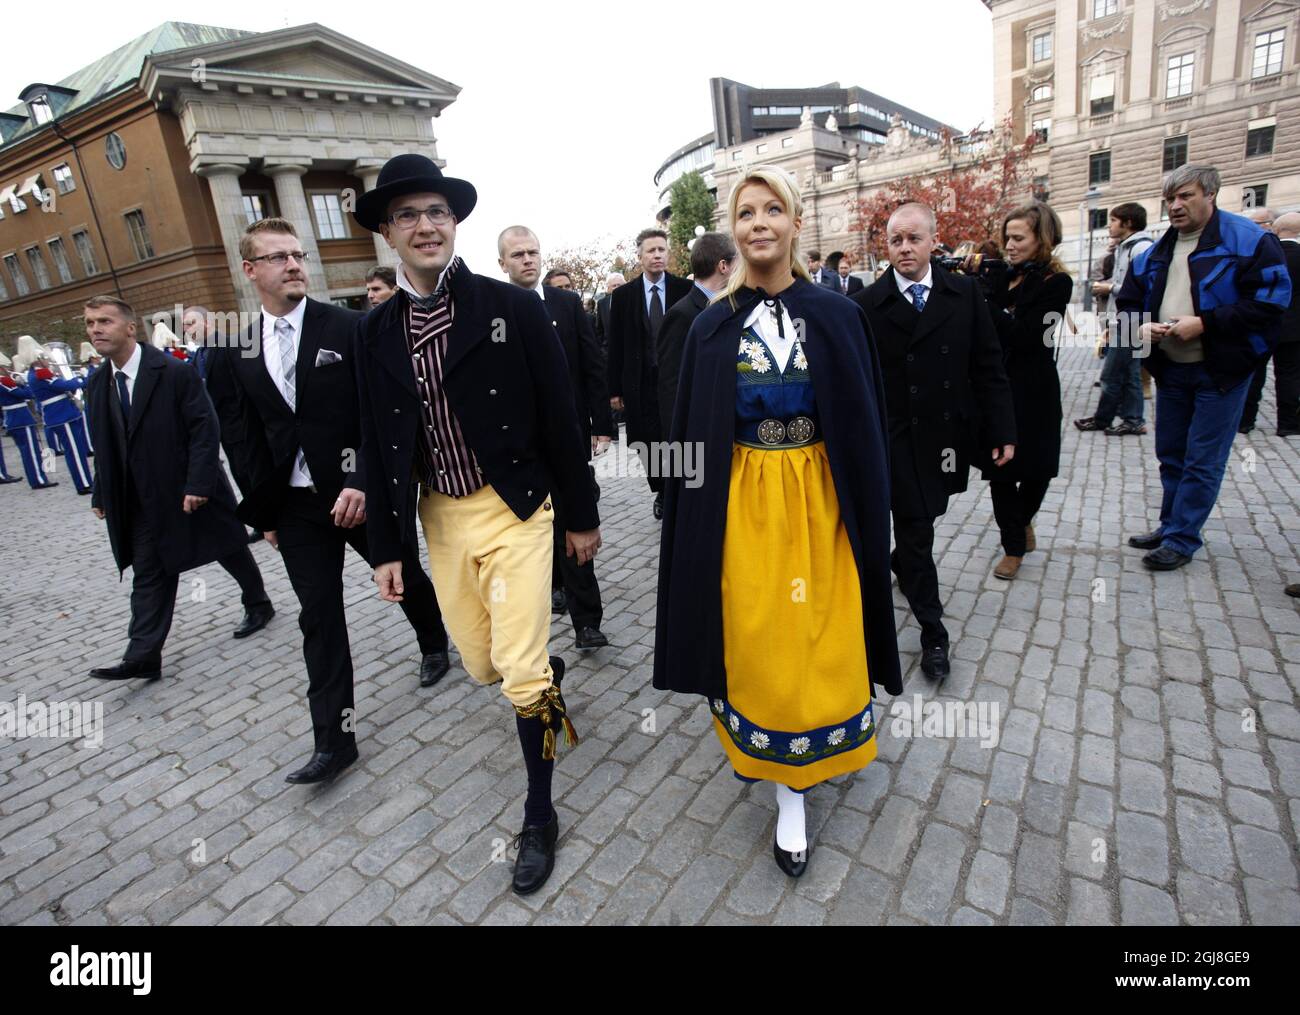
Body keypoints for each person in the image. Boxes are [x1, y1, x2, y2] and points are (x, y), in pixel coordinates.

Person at [352, 154, 600, 896]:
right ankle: (541, 680)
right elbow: (373, 437)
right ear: (389, 234)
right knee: (483, 665)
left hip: (517, 506)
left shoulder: (509, 307)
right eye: (408, 216)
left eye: (436, 212)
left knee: (521, 673)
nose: (425, 225)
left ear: (454, 223)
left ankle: (539, 812)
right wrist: (386, 547)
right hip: (439, 518)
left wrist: (581, 516)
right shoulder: (374, 332)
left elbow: (562, 415)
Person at [654, 166, 901, 878]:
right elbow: (687, 429)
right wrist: (680, 514)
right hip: (743, 503)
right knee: (757, 639)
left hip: (822, 500)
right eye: (745, 212)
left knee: (817, 639)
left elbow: (865, 423)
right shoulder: (708, 327)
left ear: (795, 222)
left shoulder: (838, 314)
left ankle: (797, 780)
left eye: (771, 210)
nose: (758, 222)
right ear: (733, 230)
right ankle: (772, 766)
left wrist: (874, 506)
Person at [207, 216, 452, 786]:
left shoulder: (347, 328)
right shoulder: (233, 350)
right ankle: (334, 741)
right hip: (295, 509)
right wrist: (263, 512)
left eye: (297, 254)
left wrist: (363, 481)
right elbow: (240, 438)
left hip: (357, 493)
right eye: (277, 257)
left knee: (405, 575)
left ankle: (434, 639)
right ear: (250, 271)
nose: (294, 264)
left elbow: (382, 413)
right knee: (318, 616)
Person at [854, 202, 1016, 679]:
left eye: (914, 239)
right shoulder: (866, 304)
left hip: (945, 439)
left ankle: (902, 562)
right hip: (893, 439)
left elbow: (988, 366)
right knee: (917, 533)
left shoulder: (963, 293)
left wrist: (1003, 429)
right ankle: (933, 634)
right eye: (896, 241)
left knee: (924, 521)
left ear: (932, 240)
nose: (905, 248)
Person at [81, 295, 270, 681]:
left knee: (228, 546)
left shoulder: (171, 371)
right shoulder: (98, 383)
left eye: (104, 322)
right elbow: (105, 443)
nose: (95, 329)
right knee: (150, 571)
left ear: (130, 328)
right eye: (89, 323)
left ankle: (258, 601)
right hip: (142, 498)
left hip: (190, 485)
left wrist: (198, 482)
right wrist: (103, 492)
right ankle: (143, 653)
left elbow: (204, 427)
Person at [1116, 165, 1290, 570]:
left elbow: (1271, 304)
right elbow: (1126, 306)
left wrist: (1206, 324)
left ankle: (1182, 538)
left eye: (1185, 196)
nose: (1176, 206)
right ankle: (1171, 524)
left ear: (1210, 194)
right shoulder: (1155, 250)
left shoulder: (1251, 240)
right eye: (1170, 199)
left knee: (1202, 459)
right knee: (1171, 453)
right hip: (1172, 369)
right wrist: (1141, 326)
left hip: (1222, 373)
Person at [498, 224, 612, 651]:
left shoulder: (566, 303)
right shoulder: (498, 309)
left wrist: (599, 423)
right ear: (503, 264)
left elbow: (591, 364)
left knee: (575, 518)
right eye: (518, 254)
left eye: (532, 252)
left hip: (566, 435)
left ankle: (588, 622)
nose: (527, 260)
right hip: (520, 446)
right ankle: (554, 588)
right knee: (537, 526)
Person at [976, 201, 1072, 581]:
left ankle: (1022, 520)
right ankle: (1013, 546)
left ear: (1042, 240)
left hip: (1035, 387)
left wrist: (985, 303)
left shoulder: (1056, 283)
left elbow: (1030, 338)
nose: (1009, 245)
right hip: (996, 387)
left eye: (1018, 238)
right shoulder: (1001, 276)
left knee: (1038, 469)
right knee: (999, 470)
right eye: (1006, 238)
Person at [606, 228, 691, 519]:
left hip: (676, 380)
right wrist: (614, 389)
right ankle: (661, 488)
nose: (657, 255)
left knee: (676, 435)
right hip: (639, 383)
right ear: (640, 256)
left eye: (662, 250)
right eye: (651, 251)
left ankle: (673, 493)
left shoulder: (684, 289)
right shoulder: (624, 296)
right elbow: (614, 343)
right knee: (645, 440)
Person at [1074, 202, 1155, 436]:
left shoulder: (1140, 249)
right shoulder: (1124, 247)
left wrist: (1110, 288)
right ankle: (1132, 420)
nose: (1108, 226)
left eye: (1113, 220)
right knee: (1129, 374)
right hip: (1123, 320)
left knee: (1111, 374)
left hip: (1133, 320)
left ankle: (1104, 419)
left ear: (1128, 222)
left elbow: (1143, 288)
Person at [656, 231, 735, 431]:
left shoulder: (731, 305)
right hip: (700, 432)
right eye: (738, 263)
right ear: (723, 266)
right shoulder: (682, 315)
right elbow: (671, 387)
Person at [1240, 209, 1299, 435]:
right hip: (1293, 329)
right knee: (1290, 375)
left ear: (1275, 228)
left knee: (1254, 373)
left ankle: (1245, 420)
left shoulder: (1264, 254)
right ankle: (1288, 424)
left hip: (1262, 324)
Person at [16, 336, 93, 494]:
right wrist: (84, 378)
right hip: (61, 415)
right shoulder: (40, 374)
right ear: (39, 360)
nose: (48, 361)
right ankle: (84, 484)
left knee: (76, 450)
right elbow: (66, 385)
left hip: (64, 413)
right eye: (45, 358)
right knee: (74, 452)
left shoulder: (41, 373)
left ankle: (86, 481)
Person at [0, 357, 56, 489]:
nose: (7, 369)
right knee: (31, 452)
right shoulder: (4, 381)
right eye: (4, 367)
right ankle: (38, 480)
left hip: (17, 418)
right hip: (20, 419)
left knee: (29, 451)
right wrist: (22, 384)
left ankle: (37, 478)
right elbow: (27, 394)